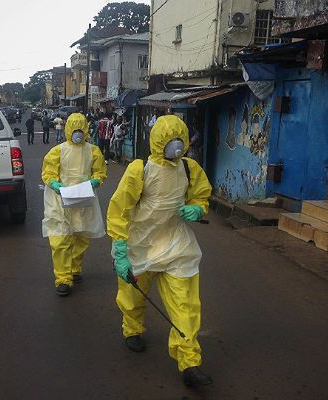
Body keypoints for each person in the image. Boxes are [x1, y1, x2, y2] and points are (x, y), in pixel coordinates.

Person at [107, 115, 213, 387]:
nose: (176, 146)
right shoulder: (139, 170)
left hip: (176, 245)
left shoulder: (189, 169)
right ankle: (132, 329)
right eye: (170, 141)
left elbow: (201, 196)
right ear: (157, 141)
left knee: (186, 305)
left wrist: (198, 208)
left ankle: (189, 361)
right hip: (140, 245)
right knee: (133, 297)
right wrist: (120, 248)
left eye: (180, 141)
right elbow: (119, 209)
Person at [41, 113, 107, 296]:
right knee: (60, 238)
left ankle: (75, 268)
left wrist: (95, 181)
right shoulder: (58, 151)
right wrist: (54, 183)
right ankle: (63, 278)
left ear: (85, 129)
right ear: (68, 129)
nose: (78, 133)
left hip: (83, 198)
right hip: (59, 199)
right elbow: (48, 172)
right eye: (74, 129)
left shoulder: (93, 151)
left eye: (81, 129)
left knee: (81, 235)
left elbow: (100, 172)